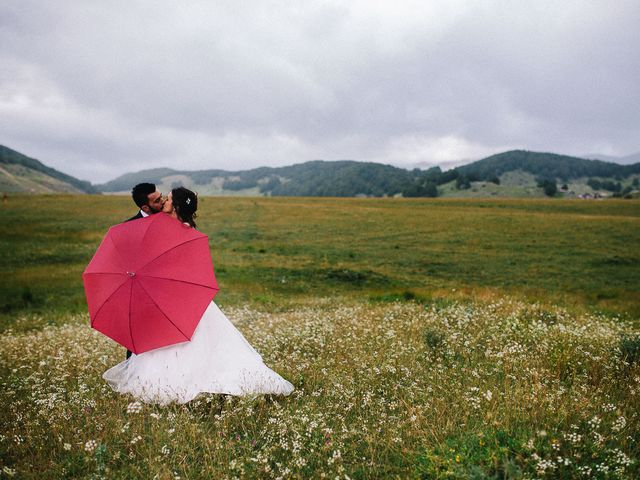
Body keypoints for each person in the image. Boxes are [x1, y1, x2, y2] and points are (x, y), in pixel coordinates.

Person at [103, 187, 294, 404]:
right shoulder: (166, 225)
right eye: (162, 198)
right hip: (165, 298)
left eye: (168, 199)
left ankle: (191, 383)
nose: (165, 199)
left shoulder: (183, 232)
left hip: (180, 299)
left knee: (196, 345)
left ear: (174, 206)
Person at [124, 183, 165, 359]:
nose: (163, 202)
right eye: (157, 201)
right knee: (139, 335)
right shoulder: (128, 228)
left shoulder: (170, 220)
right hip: (141, 291)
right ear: (145, 207)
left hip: (165, 289)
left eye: (161, 196)